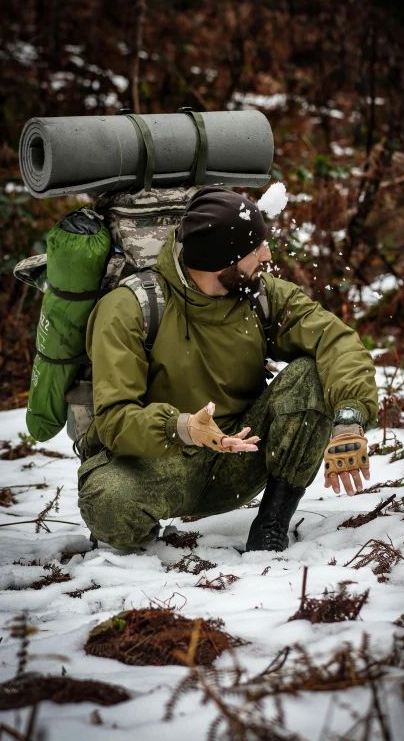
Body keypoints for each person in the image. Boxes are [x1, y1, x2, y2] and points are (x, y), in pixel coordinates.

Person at [77, 187, 378, 552]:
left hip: (243, 455)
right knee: (108, 502)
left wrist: (349, 416)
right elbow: (114, 420)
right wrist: (184, 427)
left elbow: (337, 342)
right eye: (254, 250)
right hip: (163, 463)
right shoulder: (130, 308)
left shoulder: (261, 295)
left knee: (310, 373)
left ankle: (272, 523)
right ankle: (151, 551)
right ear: (220, 261)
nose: (266, 255)